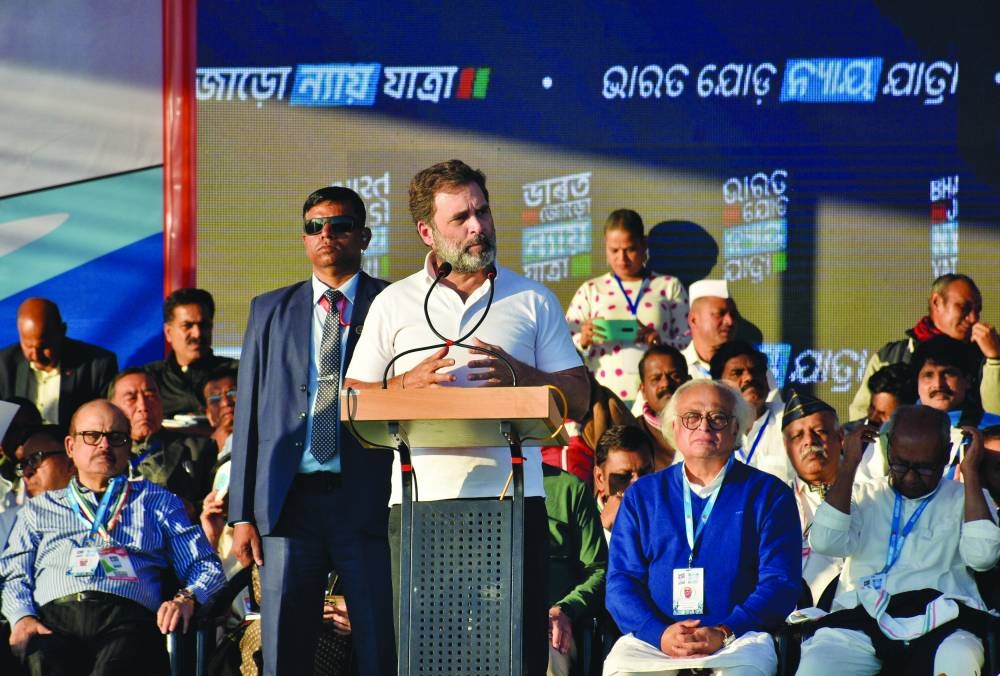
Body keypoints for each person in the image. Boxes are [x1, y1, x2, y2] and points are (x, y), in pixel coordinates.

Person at [343, 159, 590, 675]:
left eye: (482, 211)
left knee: (510, 656)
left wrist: (517, 372)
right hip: (418, 505)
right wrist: (403, 385)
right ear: (427, 232)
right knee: (426, 656)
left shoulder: (532, 299)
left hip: (514, 501)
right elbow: (352, 398)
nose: (478, 226)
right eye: (461, 218)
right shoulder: (394, 302)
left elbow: (579, 395)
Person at [228, 185, 395, 676]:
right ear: (304, 239)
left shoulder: (392, 303)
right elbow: (250, 419)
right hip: (288, 503)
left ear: (363, 236)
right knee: (284, 649)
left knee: (378, 647)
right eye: (315, 226)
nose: (326, 235)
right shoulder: (268, 310)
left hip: (366, 498)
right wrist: (241, 513)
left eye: (340, 225)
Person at [0, 400, 225, 675]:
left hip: (128, 620)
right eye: (92, 436)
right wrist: (21, 617)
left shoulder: (158, 502)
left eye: (115, 437)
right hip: (54, 620)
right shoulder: (39, 509)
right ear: (71, 446)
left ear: (128, 446)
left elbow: (206, 565)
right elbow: (15, 575)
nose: (104, 445)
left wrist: (186, 598)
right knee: (42, 659)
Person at [604, 380, 800, 675]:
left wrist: (725, 631)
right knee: (622, 668)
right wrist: (660, 633)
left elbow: (780, 583)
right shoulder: (642, 496)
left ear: (736, 428)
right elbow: (621, 582)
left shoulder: (770, 494)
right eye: (692, 417)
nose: (704, 427)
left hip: (738, 638)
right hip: (655, 640)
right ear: (674, 427)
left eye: (718, 417)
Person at [797, 406, 1000, 675]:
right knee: (818, 663)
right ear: (889, 449)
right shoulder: (861, 493)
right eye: (901, 464)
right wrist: (848, 467)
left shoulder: (968, 497)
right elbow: (824, 542)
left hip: (944, 619)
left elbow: (983, 557)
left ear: (946, 452)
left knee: (959, 659)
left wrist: (971, 472)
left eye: (925, 468)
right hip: (861, 616)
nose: (911, 477)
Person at [566, 209, 688, 403]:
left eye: (630, 249)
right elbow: (563, 347)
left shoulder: (668, 286)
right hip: (605, 396)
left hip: (660, 397)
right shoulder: (591, 289)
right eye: (614, 250)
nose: (622, 259)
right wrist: (584, 339)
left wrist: (661, 343)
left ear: (644, 244)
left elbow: (689, 341)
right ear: (605, 246)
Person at [848, 273, 1000, 420]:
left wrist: (994, 361)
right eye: (964, 308)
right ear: (936, 302)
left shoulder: (986, 357)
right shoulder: (892, 356)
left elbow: (996, 419)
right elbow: (861, 415)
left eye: (977, 310)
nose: (973, 318)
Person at [857, 335, 1000, 483]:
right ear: (917, 382)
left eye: (948, 373)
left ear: (968, 380)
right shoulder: (892, 429)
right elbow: (867, 487)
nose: (938, 384)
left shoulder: (993, 428)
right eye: (928, 375)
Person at [108, 368, 215, 516]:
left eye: (150, 395)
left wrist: (191, 508)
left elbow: (218, 502)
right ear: (113, 407)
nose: (143, 407)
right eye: (131, 398)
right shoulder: (103, 453)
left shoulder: (198, 448)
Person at [0, 298, 118, 424]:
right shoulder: (4, 365)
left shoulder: (97, 366)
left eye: (43, 347)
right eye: (28, 346)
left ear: (62, 331)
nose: (36, 355)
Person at [780, 389, 846, 609]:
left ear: (841, 437)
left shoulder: (870, 492)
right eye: (798, 436)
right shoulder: (774, 502)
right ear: (786, 448)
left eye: (820, 431)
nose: (809, 441)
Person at [543, 463, 607, 676]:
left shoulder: (570, 488)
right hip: (480, 620)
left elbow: (598, 570)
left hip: (552, 622)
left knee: (548, 649)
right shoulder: (461, 486)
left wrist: (566, 609)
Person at [144, 287, 239, 420]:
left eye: (204, 325)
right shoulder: (150, 379)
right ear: (168, 332)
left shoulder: (238, 373)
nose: (197, 333)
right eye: (187, 326)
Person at [710, 340, 791, 482]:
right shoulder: (706, 429)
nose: (749, 377)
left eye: (755, 371)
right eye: (737, 373)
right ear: (718, 386)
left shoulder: (790, 421)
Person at [0, 425, 75, 546]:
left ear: (71, 461)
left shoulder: (109, 513)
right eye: (22, 465)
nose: (26, 472)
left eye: (35, 459)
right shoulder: (7, 524)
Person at [631, 344, 690, 469]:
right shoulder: (632, 432)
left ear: (689, 381)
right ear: (643, 390)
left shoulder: (706, 426)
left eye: (674, 376)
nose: (666, 383)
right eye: (656, 379)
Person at [592, 424, 654, 540]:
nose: (637, 485)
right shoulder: (578, 522)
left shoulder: (674, 514)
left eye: (645, 473)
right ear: (600, 478)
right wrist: (603, 530)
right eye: (623, 477)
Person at [680, 279, 738, 380]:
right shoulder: (676, 368)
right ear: (693, 320)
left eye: (733, 315)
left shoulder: (750, 369)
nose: (730, 321)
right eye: (720, 314)